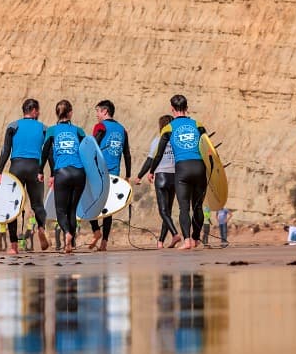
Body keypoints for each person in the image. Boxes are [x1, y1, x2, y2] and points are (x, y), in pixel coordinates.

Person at [147, 94, 208, 250]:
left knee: (183, 208)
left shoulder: (168, 128)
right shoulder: (198, 124)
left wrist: (151, 171)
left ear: (172, 109)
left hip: (182, 169)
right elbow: (208, 150)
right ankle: (195, 239)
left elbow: (159, 154)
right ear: (187, 109)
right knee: (198, 207)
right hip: (200, 167)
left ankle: (187, 240)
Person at [0, 98, 50, 255]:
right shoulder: (44, 128)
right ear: (33, 111)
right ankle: (41, 228)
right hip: (35, 167)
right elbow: (48, 153)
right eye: (38, 110)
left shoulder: (13, 126)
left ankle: (13, 246)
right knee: (38, 205)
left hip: (17, 167)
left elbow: (5, 150)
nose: (39, 113)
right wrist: (51, 173)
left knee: (12, 206)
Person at [39, 100, 87, 254]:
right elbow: (88, 151)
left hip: (62, 172)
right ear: (71, 113)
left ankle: (66, 233)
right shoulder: (79, 131)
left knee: (61, 210)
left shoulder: (52, 131)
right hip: (79, 172)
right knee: (72, 210)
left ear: (56, 113)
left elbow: (45, 153)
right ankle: (71, 244)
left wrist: (40, 170)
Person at [86, 100, 132, 251]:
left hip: (98, 172)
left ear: (105, 111)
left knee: (89, 201)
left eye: (98, 111)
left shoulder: (101, 126)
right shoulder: (122, 130)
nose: (97, 115)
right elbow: (127, 154)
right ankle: (104, 242)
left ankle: (96, 231)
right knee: (108, 209)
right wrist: (128, 175)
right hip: (114, 174)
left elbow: (93, 147)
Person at [136, 115, 181, 249]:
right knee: (167, 211)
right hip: (175, 176)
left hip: (161, 176)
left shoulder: (158, 140)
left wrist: (140, 175)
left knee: (163, 211)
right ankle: (161, 241)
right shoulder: (177, 141)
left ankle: (174, 234)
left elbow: (151, 160)